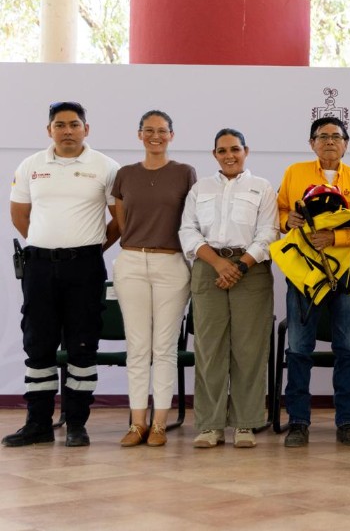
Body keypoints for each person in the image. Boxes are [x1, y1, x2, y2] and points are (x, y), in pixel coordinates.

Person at [3, 101, 120, 448]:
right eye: (60, 125)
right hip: (39, 266)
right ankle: (37, 423)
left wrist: (88, 249)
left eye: (74, 124)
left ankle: (76, 424)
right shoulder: (31, 165)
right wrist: (48, 245)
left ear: (86, 128)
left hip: (85, 266)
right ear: (49, 130)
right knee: (38, 344)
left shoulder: (106, 167)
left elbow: (119, 220)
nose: (67, 131)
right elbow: (19, 214)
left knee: (83, 344)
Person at [277, 117, 350, 447]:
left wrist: (335, 237)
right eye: (322, 136)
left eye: (336, 136)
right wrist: (287, 220)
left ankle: (347, 422)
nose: (329, 142)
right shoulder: (294, 173)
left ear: (346, 144)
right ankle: (298, 422)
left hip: (346, 275)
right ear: (312, 144)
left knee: (348, 348)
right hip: (303, 273)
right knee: (299, 348)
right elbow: (278, 213)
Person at [179, 128, 277, 449]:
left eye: (235, 149)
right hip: (208, 267)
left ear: (246, 151)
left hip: (251, 269)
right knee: (209, 349)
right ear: (214, 155)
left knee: (249, 349)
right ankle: (210, 425)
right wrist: (219, 264)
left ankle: (246, 423)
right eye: (222, 151)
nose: (229, 155)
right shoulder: (200, 189)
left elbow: (269, 233)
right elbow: (188, 231)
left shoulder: (262, 187)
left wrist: (240, 266)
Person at [112, 110, 196, 447]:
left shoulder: (185, 173)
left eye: (162, 130)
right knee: (137, 347)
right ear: (139, 135)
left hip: (171, 263)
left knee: (164, 348)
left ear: (171, 135)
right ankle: (137, 424)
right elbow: (121, 221)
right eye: (149, 130)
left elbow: (191, 220)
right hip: (131, 262)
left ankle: (159, 423)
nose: (155, 136)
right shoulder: (125, 175)